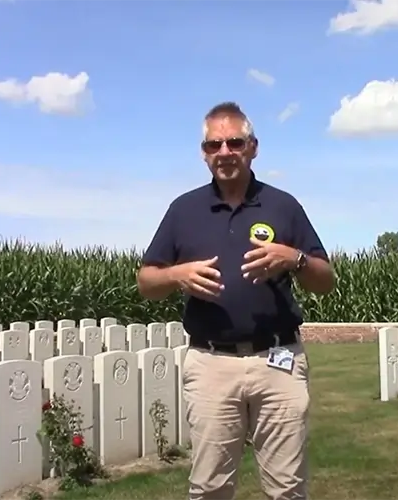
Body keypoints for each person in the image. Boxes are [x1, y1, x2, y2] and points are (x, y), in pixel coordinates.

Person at [136, 102, 335, 500]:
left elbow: (325, 281)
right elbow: (146, 281)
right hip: (211, 365)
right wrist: (176, 275)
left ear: (253, 147)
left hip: (277, 362)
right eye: (214, 145)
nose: (224, 152)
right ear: (203, 152)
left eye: (234, 142)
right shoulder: (184, 210)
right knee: (209, 487)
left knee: (287, 488)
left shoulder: (283, 206)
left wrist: (292, 258)